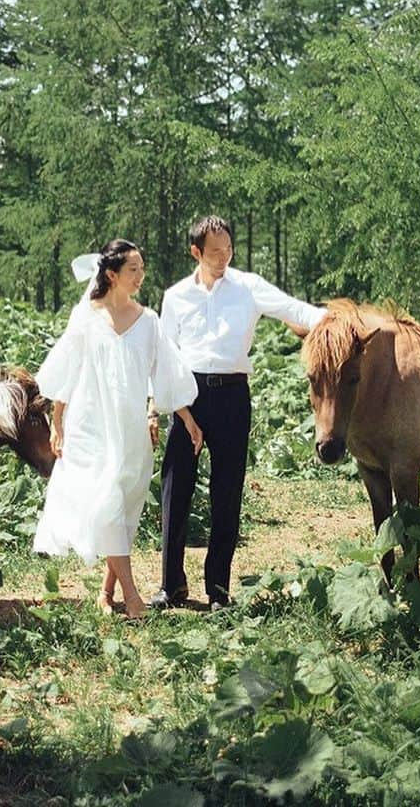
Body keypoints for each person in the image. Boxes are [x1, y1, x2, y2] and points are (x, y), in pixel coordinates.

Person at [151, 216, 325, 612]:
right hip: (187, 398)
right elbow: (163, 355)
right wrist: (160, 408)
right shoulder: (176, 296)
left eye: (228, 249)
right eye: (215, 252)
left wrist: (338, 322)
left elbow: (295, 310)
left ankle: (218, 590)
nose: (224, 257)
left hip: (232, 398)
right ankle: (171, 585)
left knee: (226, 494)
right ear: (196, 252)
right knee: (174, 493)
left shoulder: (248, 287)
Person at [34, 239, 203, 618]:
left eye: (142, 268)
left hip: (129, 429)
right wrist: (57, 421)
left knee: (125, 507)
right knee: (107, 501)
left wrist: (187, 419)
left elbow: (167, 374)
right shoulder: (87, 319)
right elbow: (68, 370)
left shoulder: (149, 322)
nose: (141, 276)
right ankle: (133, 597)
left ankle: (106, 592)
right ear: (111, 275)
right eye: (133, 270)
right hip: (91, 425)